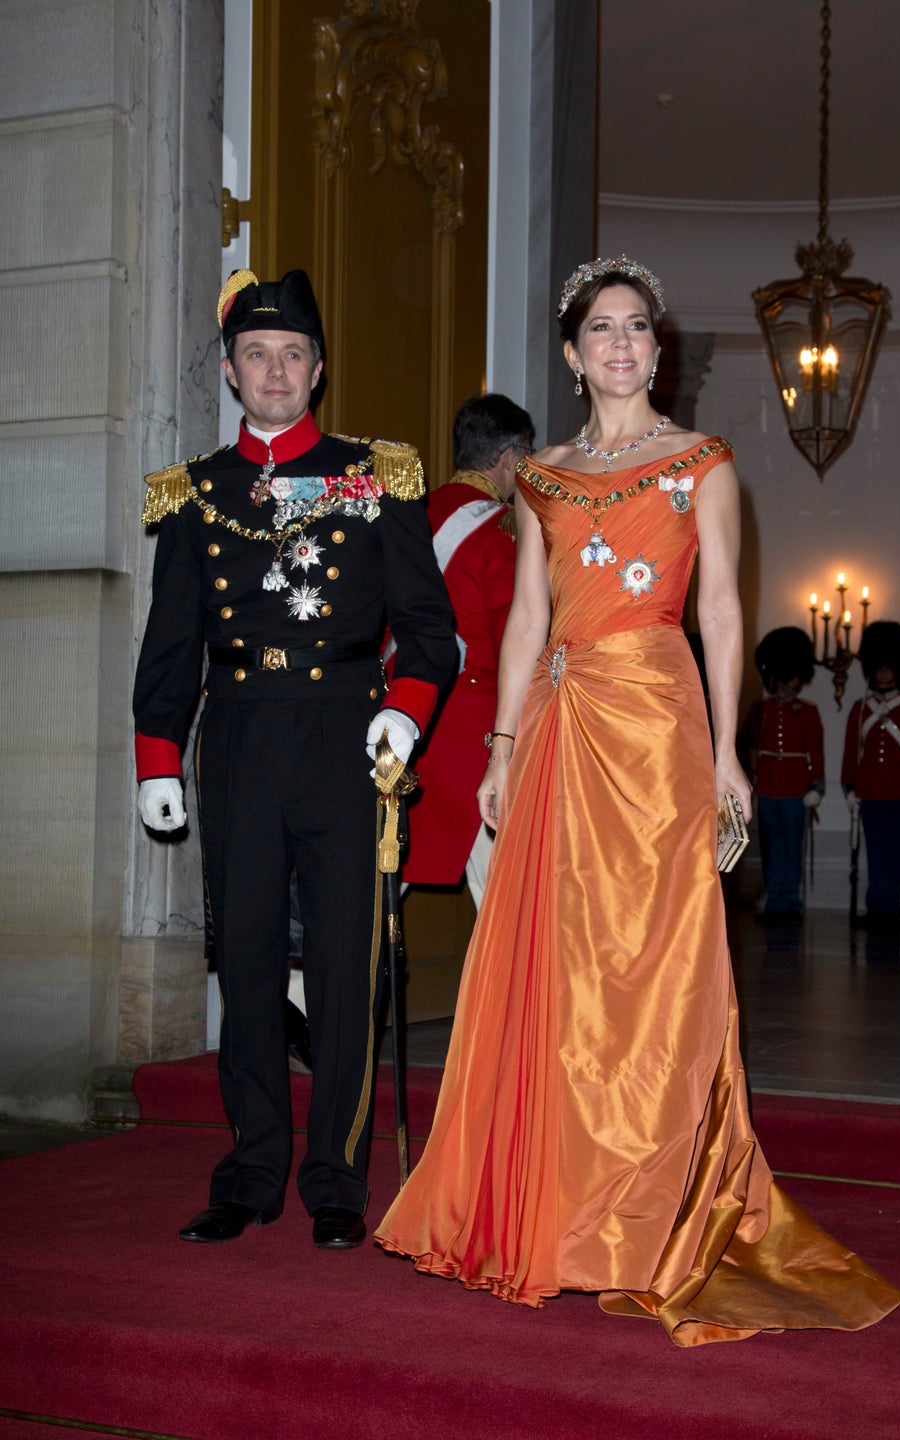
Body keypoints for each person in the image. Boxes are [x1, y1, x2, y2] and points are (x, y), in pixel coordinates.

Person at [375, 256, 900, 1344]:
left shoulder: (702, 464)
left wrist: (727, 758)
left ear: (657, 352)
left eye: (638, 329)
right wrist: (501, 747)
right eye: (601, 330)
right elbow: (525, 620)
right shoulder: (544, 479)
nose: (621, 345)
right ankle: (554, 1207)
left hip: (660, 728)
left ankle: (654, 1211)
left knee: (657, 968)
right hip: (563, 731)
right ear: (572, 356)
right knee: (557, 969)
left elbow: (720, 612)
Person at [133, 268, 457, 1249]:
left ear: (318, 370)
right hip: (236, 742)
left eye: (293, 355)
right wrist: (158, 759)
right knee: (245, 961)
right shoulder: (193, 494)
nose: (275, 371)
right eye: (256, 355)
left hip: (347, 745)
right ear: (232, 372)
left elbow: (431, 632)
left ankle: (335, 1183)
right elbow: (169, 644)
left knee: (349, 970)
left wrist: (403, 714)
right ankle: (251, 1171)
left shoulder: (376, 477)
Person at [401, 393, 534, 909]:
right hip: (474, 742)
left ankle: (306, 992)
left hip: (403, 723)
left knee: (373, 891)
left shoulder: (412, 517)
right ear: (510, 458)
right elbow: (513, 644)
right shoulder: (500, 532)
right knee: (508, 904)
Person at [841, 621, 900, 923]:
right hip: (870, 793)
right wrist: (849, 787)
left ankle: (894, 904)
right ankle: (878, 905)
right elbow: (851, 752)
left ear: (898, 669)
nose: (882, 674)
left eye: (888, 668)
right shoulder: (860, 708)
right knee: (876, 852)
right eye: (878, 668)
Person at [738, 627, 824, 923]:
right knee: (772, 848)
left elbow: (816, 752)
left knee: (791, 847)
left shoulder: (807, 711)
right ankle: (776, 900)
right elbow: (749, 744)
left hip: (796, 788)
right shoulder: (761, 710)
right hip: (768, 788)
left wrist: (816, 785)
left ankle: (791, 901)